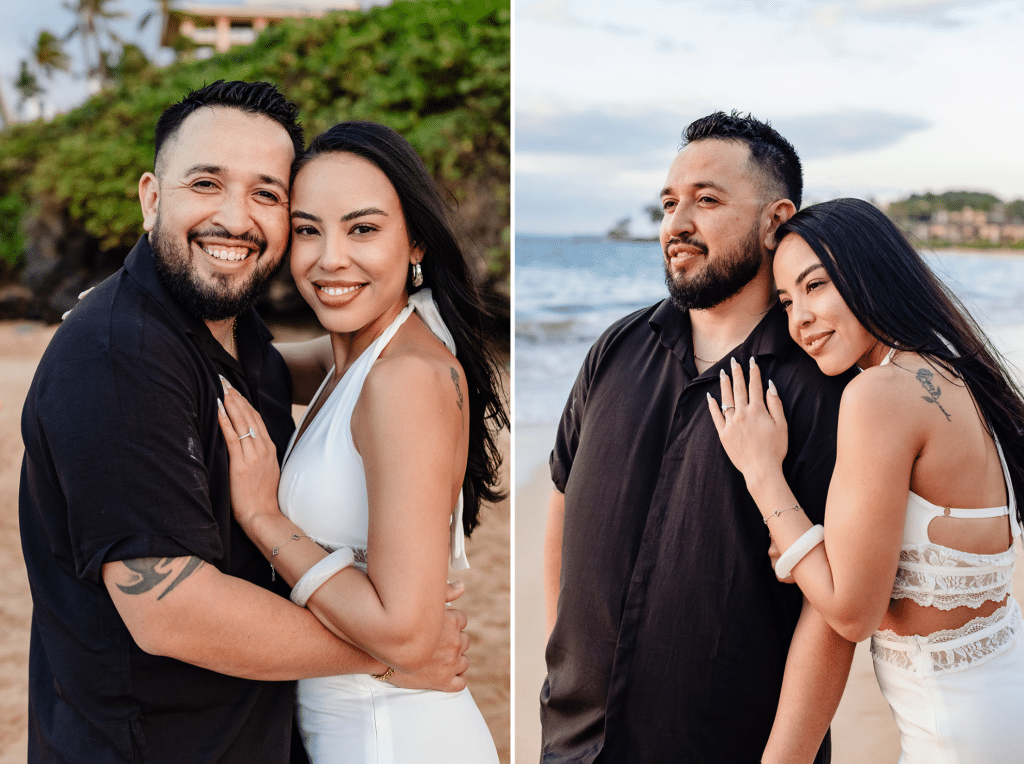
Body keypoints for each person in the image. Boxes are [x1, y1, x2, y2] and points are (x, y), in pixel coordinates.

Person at [19, 82, 470, 764]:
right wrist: (389, 658)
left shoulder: (234, 332)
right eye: (206, 183)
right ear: (152, 197)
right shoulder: (117, 359)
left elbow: (347, 365)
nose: (236, 218)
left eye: (267, 193)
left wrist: (411, 337)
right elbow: (171, 612)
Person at [540, 110, 857, 763]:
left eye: (706, 200)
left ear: (776, 220)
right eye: (668, 203)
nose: (675, 224)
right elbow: (563, 508)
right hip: (574, 747)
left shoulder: (825, 387)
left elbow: (830, 615)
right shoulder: (616, 348)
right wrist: (560, 677)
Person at [215, 120, 506, 763]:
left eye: (363, 229)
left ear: (417, 242)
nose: (329, 259)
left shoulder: (404, 378)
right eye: (308, 230)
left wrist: (264, 517)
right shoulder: (363, 353)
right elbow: (252, 365)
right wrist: (147, 318)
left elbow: (404, 632)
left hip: (392, 739)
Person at [711, 197, 1024, 763]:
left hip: (958, 735)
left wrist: (762, 472)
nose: (798, 318)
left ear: (870, 272)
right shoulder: (958, 372)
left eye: (816, 286)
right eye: (785, 301)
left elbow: (852, 612)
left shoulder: (878, 394)